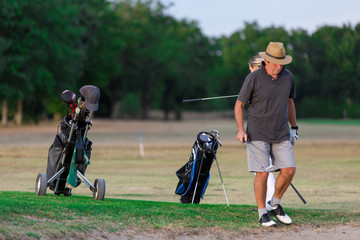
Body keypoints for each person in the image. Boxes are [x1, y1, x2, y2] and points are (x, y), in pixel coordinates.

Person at [234, 42, 298, 227]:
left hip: (281, 133)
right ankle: (263, 213)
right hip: (257, 133)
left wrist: (294, 128)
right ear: (267, 61)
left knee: (289, 170)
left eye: (282, 63)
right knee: (261, 174)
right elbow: (239, 105)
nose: (279, 67)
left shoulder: (288, 77)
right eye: (276, 63)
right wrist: (240, 129)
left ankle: (274, 204)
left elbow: (290, 103)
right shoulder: (253, 78)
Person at [247, 54, 276, 207]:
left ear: (256, 67)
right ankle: (269, 202)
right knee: (264, 168)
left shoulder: (258, 80)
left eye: (251, 69)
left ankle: (269, 203)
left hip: (261, 130)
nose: (250, 72)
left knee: (263, 169)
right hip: (268, 128)